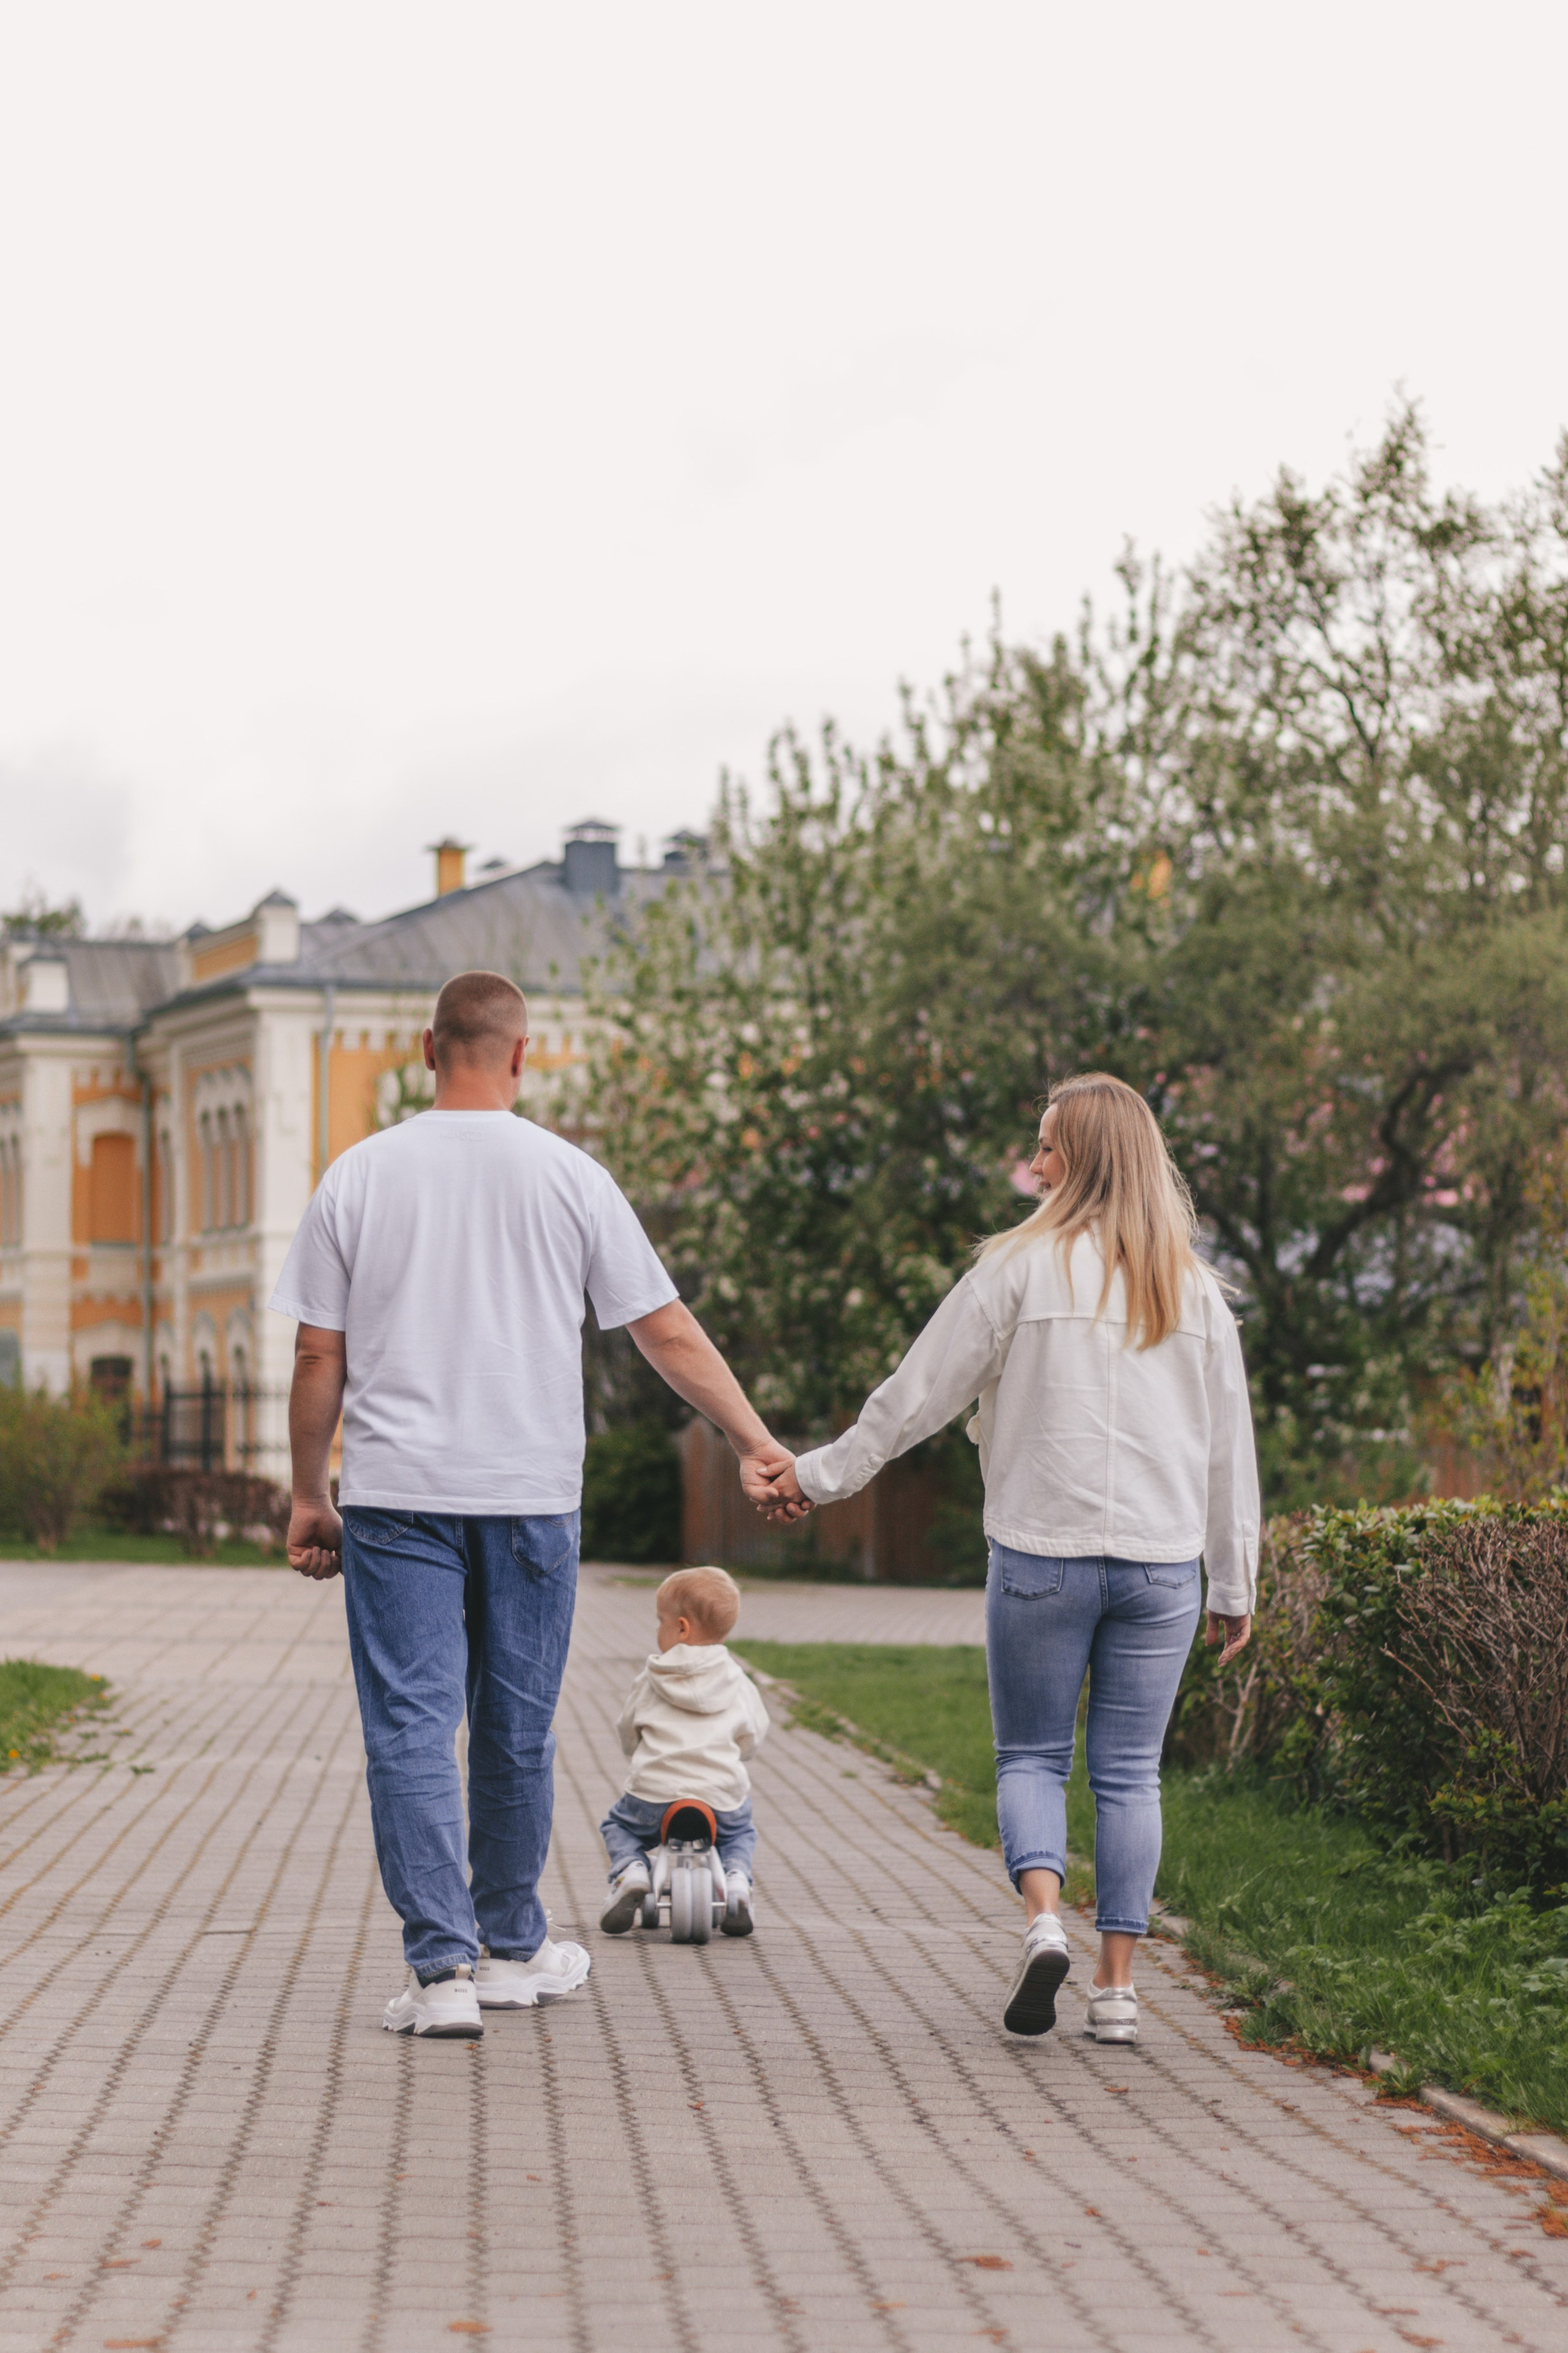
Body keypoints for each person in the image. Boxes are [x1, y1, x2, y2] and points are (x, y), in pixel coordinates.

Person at [274, 969, 790, 2039]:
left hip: (396, 1497)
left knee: (413, 1725)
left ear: (426, 1049)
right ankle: (513, 1944)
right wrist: (754, 1440)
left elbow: (318, 1352)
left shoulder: (358, 1176)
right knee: (515, 1724)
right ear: (522, 1055)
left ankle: (444, 1973)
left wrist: (306, 1493)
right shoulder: (571, 1176)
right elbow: (666, 1330)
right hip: (529, 1495)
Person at [759, 1072, 1259, 2047]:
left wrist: (814, 1478)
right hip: (1162, 1568)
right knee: (1129, 1776)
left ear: (1082, 1158)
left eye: (1046, 1146)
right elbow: (1227, 1452)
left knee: (1031, 1754)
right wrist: (1233, 1584)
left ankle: (1041, 1923)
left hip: (1041, 1551)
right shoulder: (1194, 1291)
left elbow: (914, 1396)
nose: (1032, 1163)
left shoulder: (1018, 1270)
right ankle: (1116, 1991)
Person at [598, 1565, 769, 1936]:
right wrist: (739, 1754)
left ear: (681, 1628)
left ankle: (630, 1871)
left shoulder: (650, 1678)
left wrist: (635, 1751)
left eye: (660, 1621)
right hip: (720, 1797)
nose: (657, 1629)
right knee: (740, 1833)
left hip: (653, 1796)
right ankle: (739, 1881)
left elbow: (628, 1729)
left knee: (618, 1825)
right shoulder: (738, 1680)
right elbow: (753, 1735)